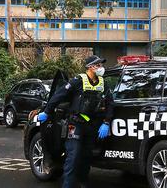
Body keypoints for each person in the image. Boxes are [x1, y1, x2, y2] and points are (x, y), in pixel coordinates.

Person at [37, 55, 114, 188]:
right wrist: (47, 111)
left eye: (101, 65)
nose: (101, 67)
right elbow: (59, 95)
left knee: (86, 158)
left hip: (91, 126)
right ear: (90, 67)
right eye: (98, 65)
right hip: (76, 124)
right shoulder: (78, 80)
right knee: (73, 157)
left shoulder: (103, 83)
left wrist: (106, 122)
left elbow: (110, 103)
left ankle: (82, 184)